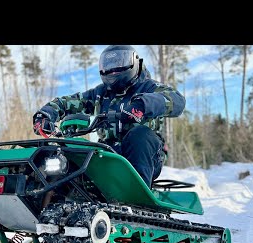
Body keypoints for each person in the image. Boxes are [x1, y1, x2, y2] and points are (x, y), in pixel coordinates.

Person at [32, 45, 186, 187]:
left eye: (119, 64)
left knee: (139, 134)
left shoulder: (149, 87)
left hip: (146, 154)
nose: (113, 71)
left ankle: (137, 194)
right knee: (71, 149)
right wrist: (46, 115)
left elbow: (177, 100)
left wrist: (142, 105)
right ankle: (53, 194)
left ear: (134, 63)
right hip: (110, 152)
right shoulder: (100, 94)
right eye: (109, 67)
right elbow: (68, 102)